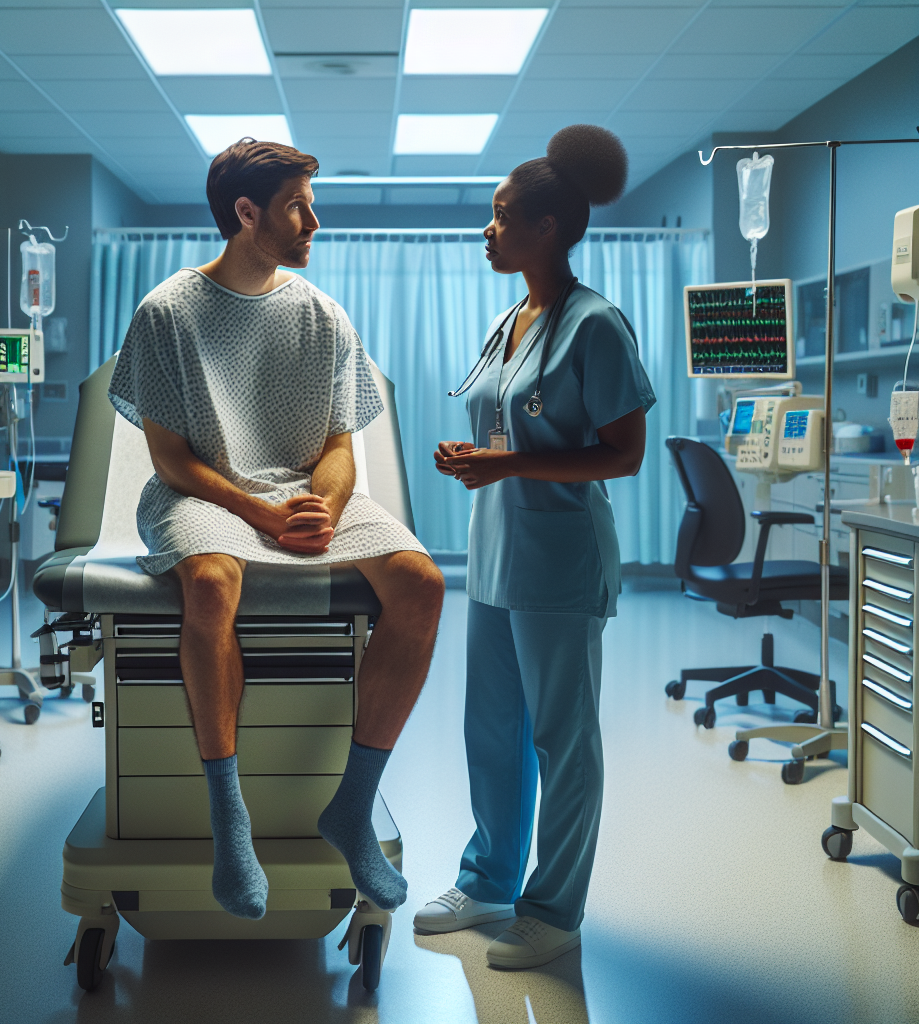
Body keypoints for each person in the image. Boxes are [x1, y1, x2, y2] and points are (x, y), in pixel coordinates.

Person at [108, 138, 445, 921]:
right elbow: (171, 459)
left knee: (422, 584)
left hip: (300, 492)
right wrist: (256, 512)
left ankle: (352, 808)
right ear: (246, 212)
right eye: (298, 207)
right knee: (213, 578)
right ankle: (231, 818)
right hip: (202, 493)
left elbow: (337, 448)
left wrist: (320, 508)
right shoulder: (166, 312)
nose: (313, 222)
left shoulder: (322, 314)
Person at [416, 124, 655, 969]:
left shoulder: (595, 325)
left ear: (546, 227)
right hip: (495, 557)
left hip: (558, 561)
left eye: (502, 214)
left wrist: (508, 461)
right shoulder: (511, 316)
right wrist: (472, 456)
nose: (489, 228)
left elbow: (622, 452)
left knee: (562, 738)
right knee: (493, 727)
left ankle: (553, 909)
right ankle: (488, 880)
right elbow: (505, 425)